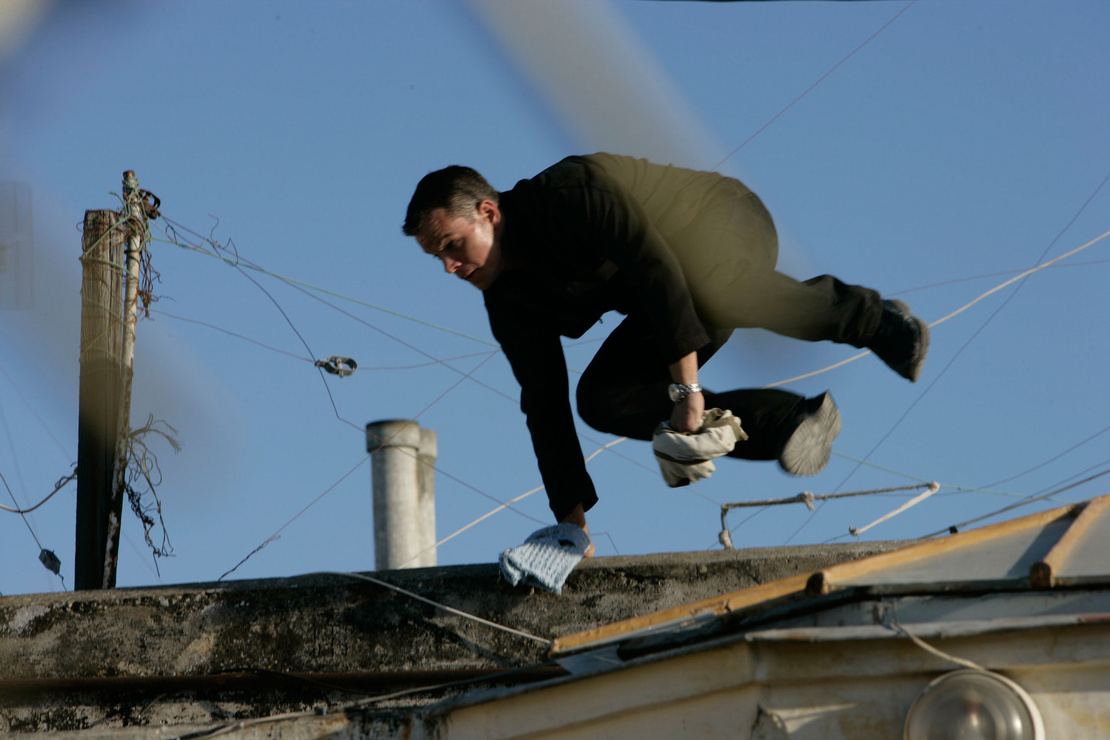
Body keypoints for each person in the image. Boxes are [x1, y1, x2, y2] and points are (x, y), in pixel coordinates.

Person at [403, 153, 928, 557]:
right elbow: (544, 404)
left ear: (489, 213)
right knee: (601, 399)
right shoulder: (508, 301)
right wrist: (571, 529)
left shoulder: (566, 195)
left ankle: (877, 320)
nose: (449, 267)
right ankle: (788, 423)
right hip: (666, 301)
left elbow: (653, 266)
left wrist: (685, 389)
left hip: (720, 221)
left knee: (715, 287)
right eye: (436, 257)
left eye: (452, 245)